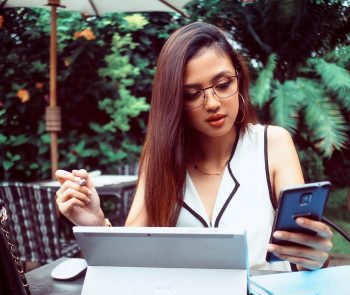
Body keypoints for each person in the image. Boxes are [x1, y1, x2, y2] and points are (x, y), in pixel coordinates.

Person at [55, 22, 332, 271]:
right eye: (191, 94)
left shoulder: (272, 143)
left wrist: (314, 256)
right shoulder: (160, 157)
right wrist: (94, 221)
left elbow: (301, 251)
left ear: (239, 78)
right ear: (174, 102)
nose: (212, 103)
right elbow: (130, 260)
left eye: (223, 85)